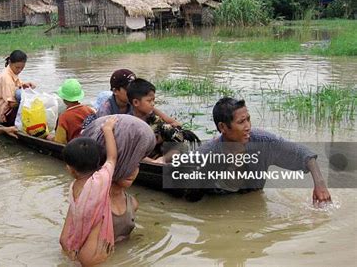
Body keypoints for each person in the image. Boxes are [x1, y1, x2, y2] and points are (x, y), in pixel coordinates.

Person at [190, 97, 332, 206]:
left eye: (248, 120)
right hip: (219, 212)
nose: (248, 127)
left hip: (254, 203)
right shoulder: (206, 154)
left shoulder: (263, 142)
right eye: (241, 122)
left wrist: (320, 185)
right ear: (223, 127)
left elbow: (304, 154)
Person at [82, 114, 156, 243]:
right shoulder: (91, 201)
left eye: (137, 163)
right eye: (129, 162)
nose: (133, 170)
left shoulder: (132, 204)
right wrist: (107, 131)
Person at [60, 117, 118, 266]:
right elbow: (112, 158)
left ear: (70, 169)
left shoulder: (74, 186)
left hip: (73, 238)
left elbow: (72, 214)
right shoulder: (101, 180)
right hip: (94, 245)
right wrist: (107, 130)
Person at [127, 78, 199, 163]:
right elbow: (130, 152)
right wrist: (153, 162)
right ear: (136, 103)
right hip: (140, 158)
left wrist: (163, 138)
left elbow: (176, 127)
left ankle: (160, 161)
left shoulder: (155, 118)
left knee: (181, 146)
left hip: (158, 155)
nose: (153, 104)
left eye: (153, 100)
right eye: (149, 101)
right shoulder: (129, 123)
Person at [96, 69, 181, 126]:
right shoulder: (105, 110)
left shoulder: (135, 101)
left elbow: (171, 121)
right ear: (115, 91)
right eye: (128, 89)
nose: (132, 91)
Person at [0, 50, 35, 125]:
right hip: (4, 111)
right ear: (10, 62)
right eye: (17, 67)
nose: (19, 70)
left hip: (8, 106)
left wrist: (24, 85)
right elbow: (11, 103)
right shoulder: (6, 77)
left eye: (22, 68)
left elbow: (17, 85)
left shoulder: (12, 72)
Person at [51, 79, 95, 144]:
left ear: (64, 98)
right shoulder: (89, 110)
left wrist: (51, 138)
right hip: (90, 144)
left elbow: (59, 141)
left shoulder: (64, 117)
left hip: (73, 147)